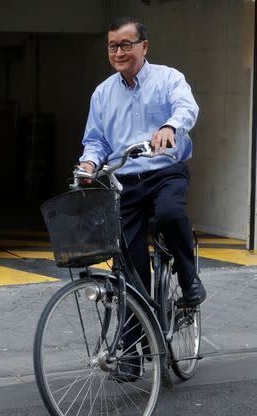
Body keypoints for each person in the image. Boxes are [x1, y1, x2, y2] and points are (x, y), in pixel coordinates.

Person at [78, 17, 206, 379]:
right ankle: (132, 351)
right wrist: (88, 163)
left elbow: (187, 108)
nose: (118, 52)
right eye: (112, 46)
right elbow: (97, 140)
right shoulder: (102, 93)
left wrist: (170, 126)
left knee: (168, 215)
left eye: (125, 44)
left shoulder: (168, 78)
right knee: (128, 269)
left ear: (143, 47)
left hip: (166, 171)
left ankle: (188, 274)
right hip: (127, 184)